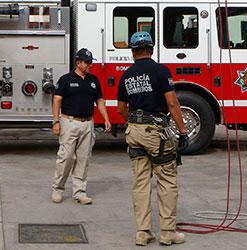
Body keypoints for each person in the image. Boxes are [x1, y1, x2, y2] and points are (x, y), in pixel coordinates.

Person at [116, 31, 189, 246]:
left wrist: (134, 122)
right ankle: (167, 233)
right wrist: (182, 131)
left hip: (134, 131)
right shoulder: (160, 71)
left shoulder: (126, 75)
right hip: (155, 132)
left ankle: (143, 232)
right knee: (166, 180)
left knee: (140, 183)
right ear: (151, 49)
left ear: (132, 51)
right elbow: (173, 103)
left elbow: (121, 109)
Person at [51, 48, 111, 205]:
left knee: (84, 159)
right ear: (78, 63)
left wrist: (106, 119)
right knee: (66, 157)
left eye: (91, 62)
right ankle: (58, 189)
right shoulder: (66, 79)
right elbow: (57, 100)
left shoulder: (94, 80)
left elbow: (99, 101)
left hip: (87, 123)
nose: (90, 65)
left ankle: (79, 192)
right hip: (69, 122)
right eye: (87, 62)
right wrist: (56, 122)